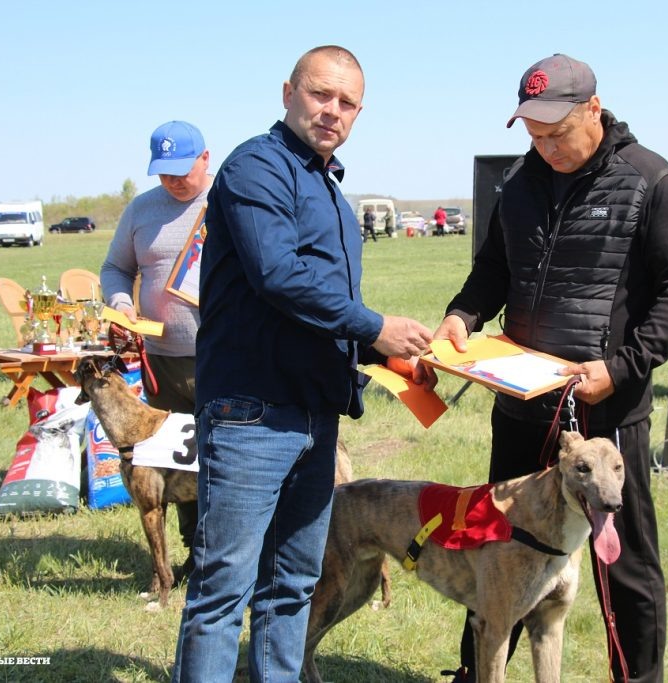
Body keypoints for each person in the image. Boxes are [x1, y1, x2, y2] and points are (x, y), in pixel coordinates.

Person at [431, 54, 668, 683]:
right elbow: (493, 270)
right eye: (533, 134)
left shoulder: (649, 181)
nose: (546, 148)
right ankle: (479, 673)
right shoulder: (521, 184)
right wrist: (462, 317)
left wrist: (625, 365)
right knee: (498, 548)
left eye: (557, 133)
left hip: (605, 410)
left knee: (623, 564)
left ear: (593, 108)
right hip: (523, 407)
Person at [172, 45, 432, 682]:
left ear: (359, 112)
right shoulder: (254, 169)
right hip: (251, 416)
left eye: (346, 103)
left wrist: (385, 353)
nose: (331, 111)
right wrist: (375, 326)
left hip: (315, 419)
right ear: (288, 91)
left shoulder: (335, 198)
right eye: (320, 95)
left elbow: (321, 311)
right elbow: (278, 277)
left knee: (293, 584)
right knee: (222, 591)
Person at [100, 119, 210, 580]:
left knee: (221, 459)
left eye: (183, 169)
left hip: (219, 358)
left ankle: (229, 553)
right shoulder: (140, 210)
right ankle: (193, 555)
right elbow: (114, 268)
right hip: (160, 363)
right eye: (164, 172)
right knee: (171, 462)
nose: (173, 180)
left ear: (206, 158)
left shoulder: (230, 204)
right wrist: (122, 303)